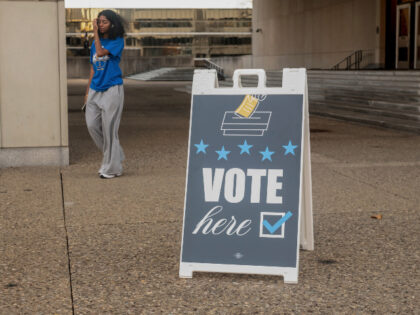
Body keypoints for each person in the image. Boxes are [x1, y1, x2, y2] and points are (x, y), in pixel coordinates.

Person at [84, 10, 125, 179]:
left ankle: (112, 169)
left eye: (104, 22)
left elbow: (101, 53)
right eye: (99, 22)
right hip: (95, 89)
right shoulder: (96, 43)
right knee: (92, 125)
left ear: (112, 24)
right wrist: (87, 93)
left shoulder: (117, 41)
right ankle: (116, 155)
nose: (100, 25)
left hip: (112, 89)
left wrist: (94, 32)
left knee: (109, 131)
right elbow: (93, 68)